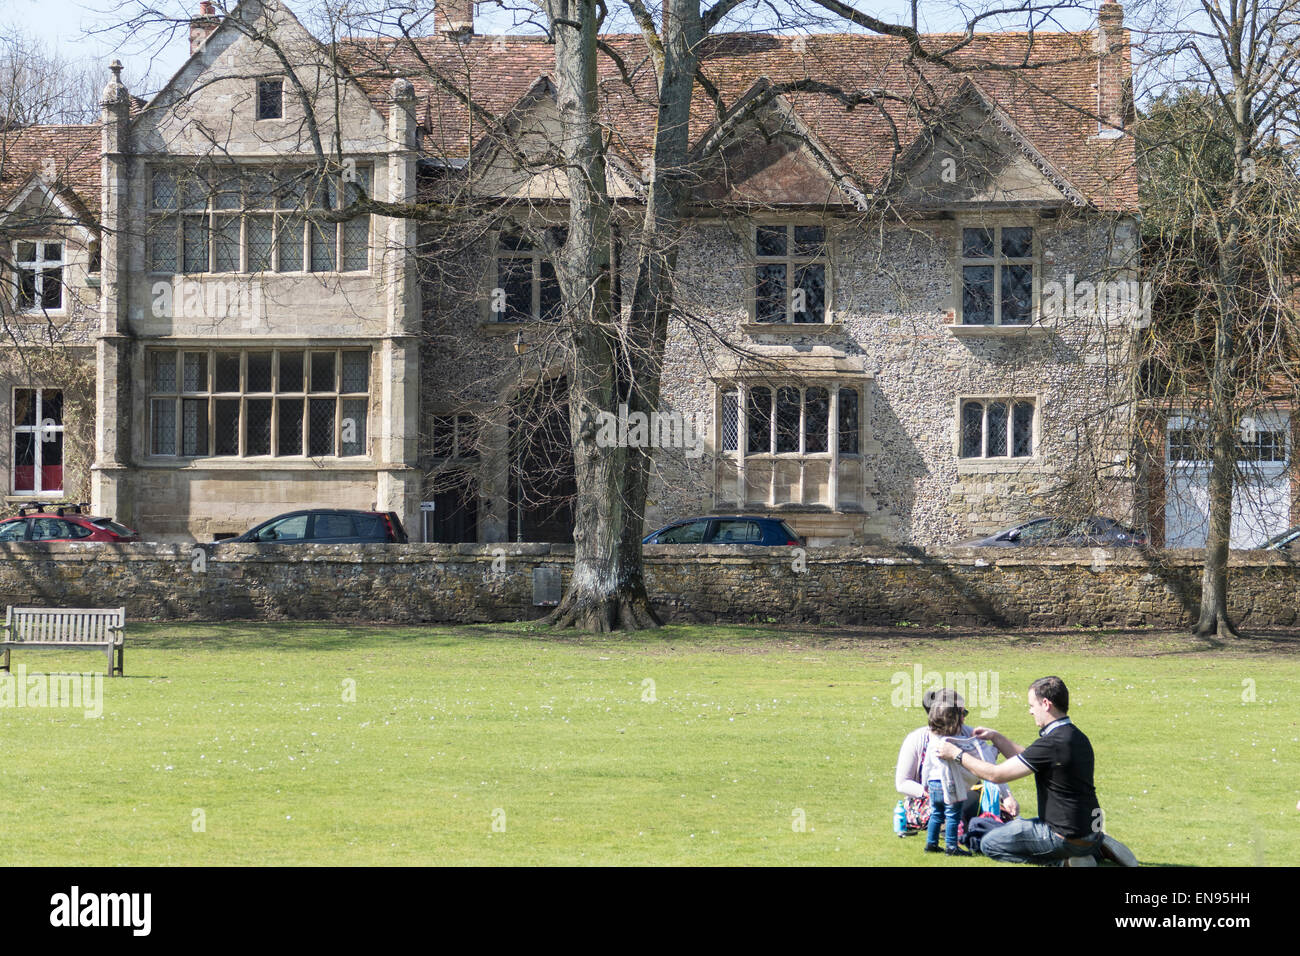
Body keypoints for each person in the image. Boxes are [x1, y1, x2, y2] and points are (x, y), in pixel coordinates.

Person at [934, 676, 1138, 866]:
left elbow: (995, 775)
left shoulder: (1052, 743)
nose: (1031, 711)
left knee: (990, 843)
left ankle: (1064, 860)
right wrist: (996, 737)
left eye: (1032, 705)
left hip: (1061, 836)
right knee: (1016, 829)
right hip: (1090, 827)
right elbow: (1027, 758)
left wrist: (957, 754)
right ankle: (1094, 846)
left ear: (1046, 704)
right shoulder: (1076, 737)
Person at [895, 689, 1018, 838]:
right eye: (962, 714)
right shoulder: (918, 739)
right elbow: (902, 783)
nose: (964, 719)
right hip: (929, 798)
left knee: (981, 802)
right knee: (948, 805)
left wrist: (1006, 795)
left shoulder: (969, 735)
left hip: (964, 794)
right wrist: (930, 792)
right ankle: (955, 828)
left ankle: (958, 826)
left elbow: (989, 766)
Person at [922, 692, 973, 856]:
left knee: (936, 814)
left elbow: (926, 765)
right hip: (949, 783)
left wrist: (925, 784)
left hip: (934, 782)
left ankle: (931, 843)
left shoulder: (933, 741)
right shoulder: (954, 741)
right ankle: (951, 846)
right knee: (953, 815)